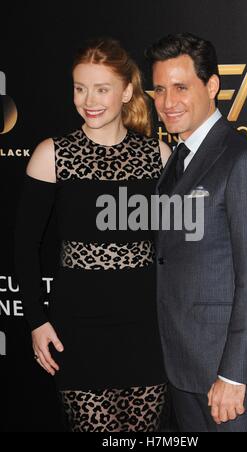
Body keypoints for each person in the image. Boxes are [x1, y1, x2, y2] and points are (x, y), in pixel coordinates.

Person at [14, 37, 171, 432]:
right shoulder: (52, 154)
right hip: (79, 331)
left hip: (145, 331)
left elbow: (178, 245)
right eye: (79, 88)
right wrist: (37, 320)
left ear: (127, 91)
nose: (88, 99)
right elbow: (23, 246)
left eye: (102, 88)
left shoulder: (159, 156)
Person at [146, 33, 247, 432]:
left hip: (228, 380)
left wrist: (234, 375)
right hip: (184, 370)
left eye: (181, 87)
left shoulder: (243, 163)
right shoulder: (177, 161)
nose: (168, 102)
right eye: (159, 89)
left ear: (211, 87)